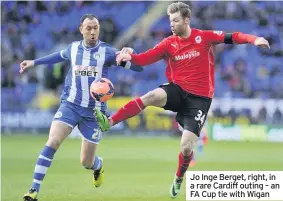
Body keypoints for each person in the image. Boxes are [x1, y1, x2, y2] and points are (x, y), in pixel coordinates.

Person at [94, 2, 270, 199]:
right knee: (151, 96)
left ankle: (179, 177)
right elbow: (143, 59)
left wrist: (255, 39)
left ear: (187, 20)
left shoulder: (204, 37)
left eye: (176, 20)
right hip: (178, 90)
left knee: (186, 147)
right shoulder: (169, 43)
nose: (172, 24)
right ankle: (110, 121)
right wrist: (128, 56)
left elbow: (233, 36)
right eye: (170, 20)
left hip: (200, 100)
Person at [20, 14, 142, 201]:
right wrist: (34, 62)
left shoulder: (108, 52)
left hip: (94, 113)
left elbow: (138, 68)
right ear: (81, 29)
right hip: (70, 105)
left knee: (86, 162)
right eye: (89, 28)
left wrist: (129, 55)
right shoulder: (73, 48)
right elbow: (57, 57)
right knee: (52, 141)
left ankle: (98, 165)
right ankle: (34, 189)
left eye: (96, 28)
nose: (93, 32)